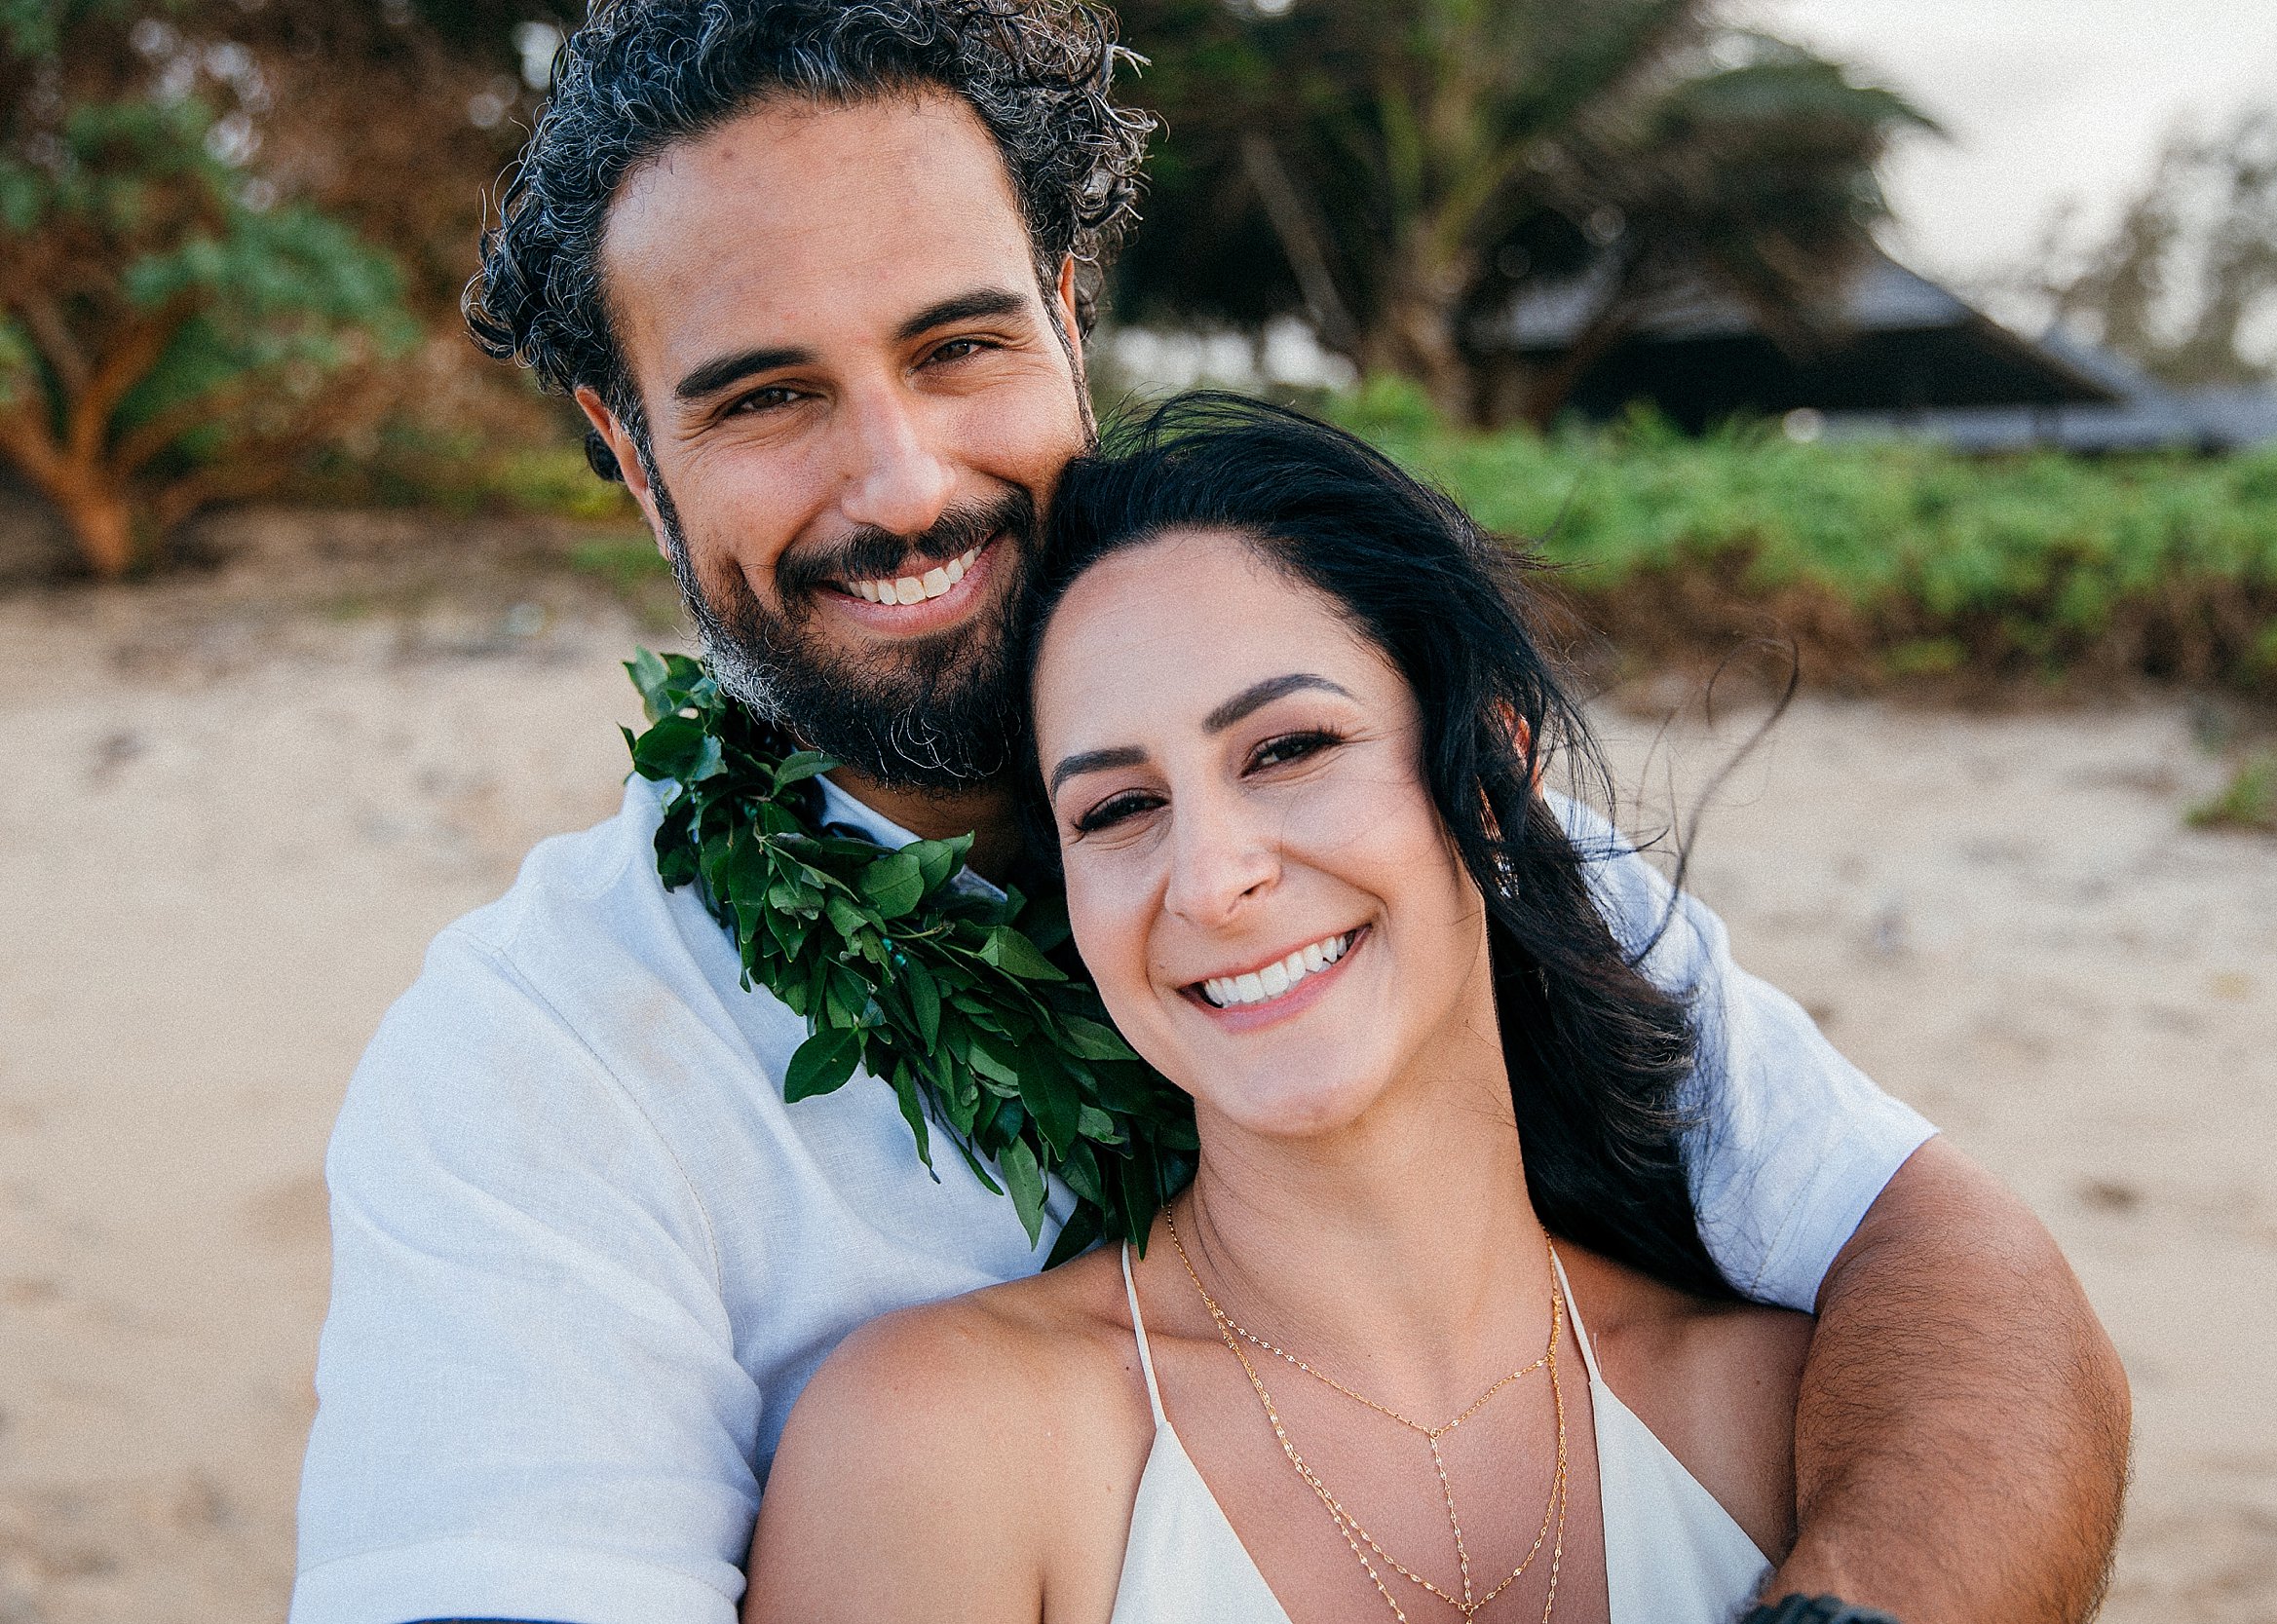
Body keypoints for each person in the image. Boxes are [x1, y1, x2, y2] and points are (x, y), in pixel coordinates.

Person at [289, 3, 2128, 1622]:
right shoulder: (538, 1069)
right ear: (626, 444)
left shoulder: (1451, 850)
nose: (906, 480)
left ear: (1069, 314)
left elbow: (1951, 1273)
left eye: (960, 347)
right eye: (767, 396)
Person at [744, 395, 1826, 1624]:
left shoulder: (1778, 1414)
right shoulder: (945, 1445)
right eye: (1116, 809)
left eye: (1287, 747)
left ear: (1489, 773)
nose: (1211, 881)